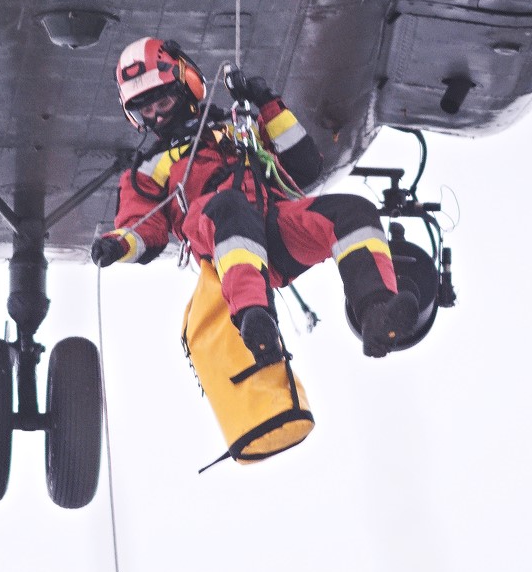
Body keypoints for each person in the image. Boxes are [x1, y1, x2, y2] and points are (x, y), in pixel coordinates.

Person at [91, 37, 420, 362]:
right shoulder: (146, 169)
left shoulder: (238, 125)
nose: (157, 117)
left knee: (353, 211)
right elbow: (142, 229)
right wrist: (117, 245)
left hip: (274, 229)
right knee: (230, 206)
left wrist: (266, 103)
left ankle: (377, 312)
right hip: (223, 246)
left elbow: (305, 166)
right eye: (146, 111)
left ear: (185, 84)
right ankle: (254, 319)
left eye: (162, 103)